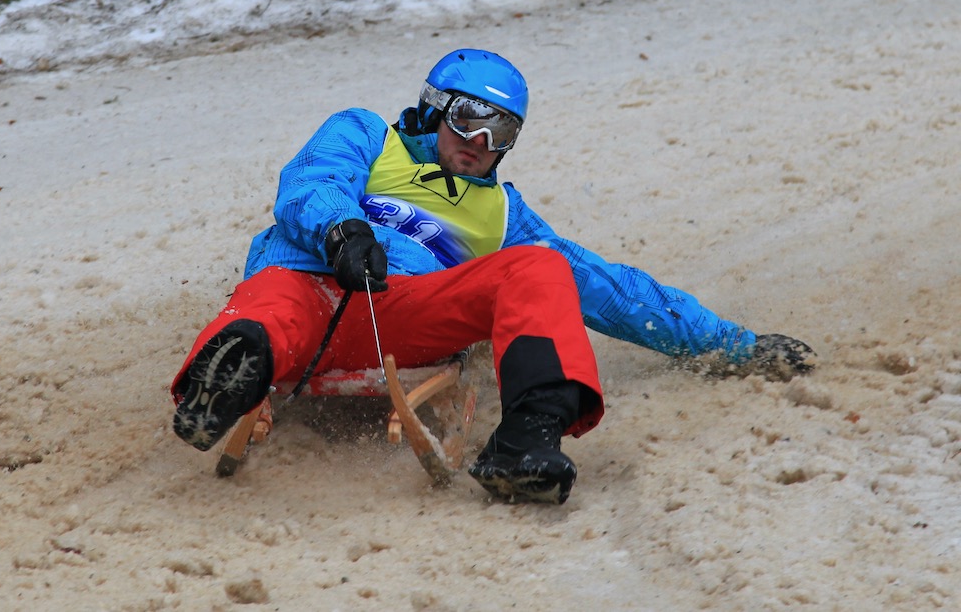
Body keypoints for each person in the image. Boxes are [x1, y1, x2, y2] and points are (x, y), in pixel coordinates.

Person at [169, 48, 815, 505]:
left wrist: (735, 346)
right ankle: (221, 383)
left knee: (543, 268)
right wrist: (343, 231)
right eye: (467, 118)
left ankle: (525, 443)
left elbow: (614, 292)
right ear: (433, 109)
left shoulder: (504, 215)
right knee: (272, 304)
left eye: (499, 128)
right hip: (308, 282)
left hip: (404, 312)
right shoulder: (367, 134)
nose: (479, 140)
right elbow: (312, 181)